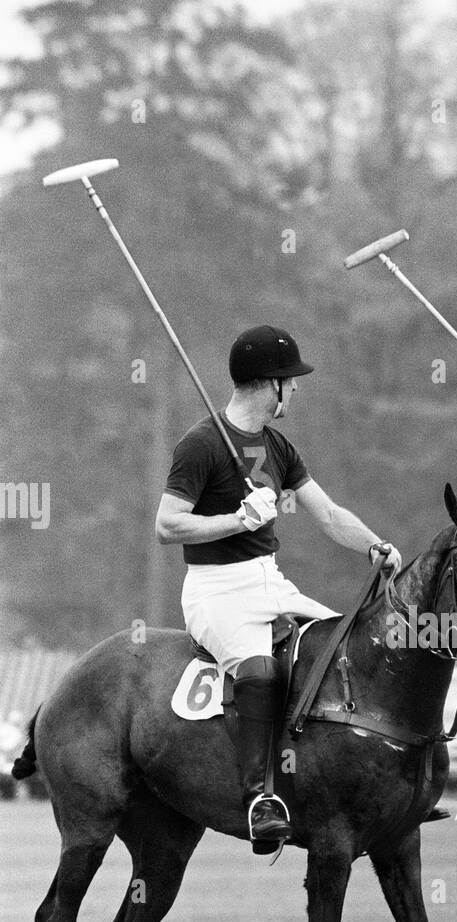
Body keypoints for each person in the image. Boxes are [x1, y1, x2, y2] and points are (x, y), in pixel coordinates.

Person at [155, 324, 401, 853]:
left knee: (343, 648)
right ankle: (260, 799)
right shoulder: (200, 445)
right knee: (261, 674)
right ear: (271, 384)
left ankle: (368, 786)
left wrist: (374, 546)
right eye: (292, 380)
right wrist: (235, 521)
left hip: (269, 580)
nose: (297, 389)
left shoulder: (278, 447)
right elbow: (167, 525)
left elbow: (330, 515)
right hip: (215, 590)